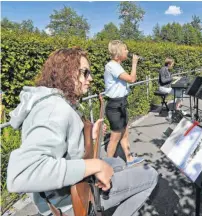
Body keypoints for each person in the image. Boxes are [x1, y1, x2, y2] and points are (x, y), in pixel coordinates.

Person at [6, 48, 158, 216]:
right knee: (150, 175)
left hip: (65, 191)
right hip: (70, 200)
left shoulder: (56, 101)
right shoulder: (54, 109)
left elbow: (64, 148)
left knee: (118, 164)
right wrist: (96, 165)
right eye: (85, 72)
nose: (90, 78)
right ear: (67, 72)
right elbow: (22, 173)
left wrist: (89, 135)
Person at [104, 40, 144, 166]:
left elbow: (131, 78)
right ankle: (107, 165)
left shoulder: (118, 65)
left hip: (121, 103)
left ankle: (130, 159)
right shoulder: (112, 66)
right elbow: (132, 79)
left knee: (125, 134)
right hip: (115, 106)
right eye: (125, 49)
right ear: (118, 52)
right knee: (114, 138)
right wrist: (134, 63)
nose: (127, 51)